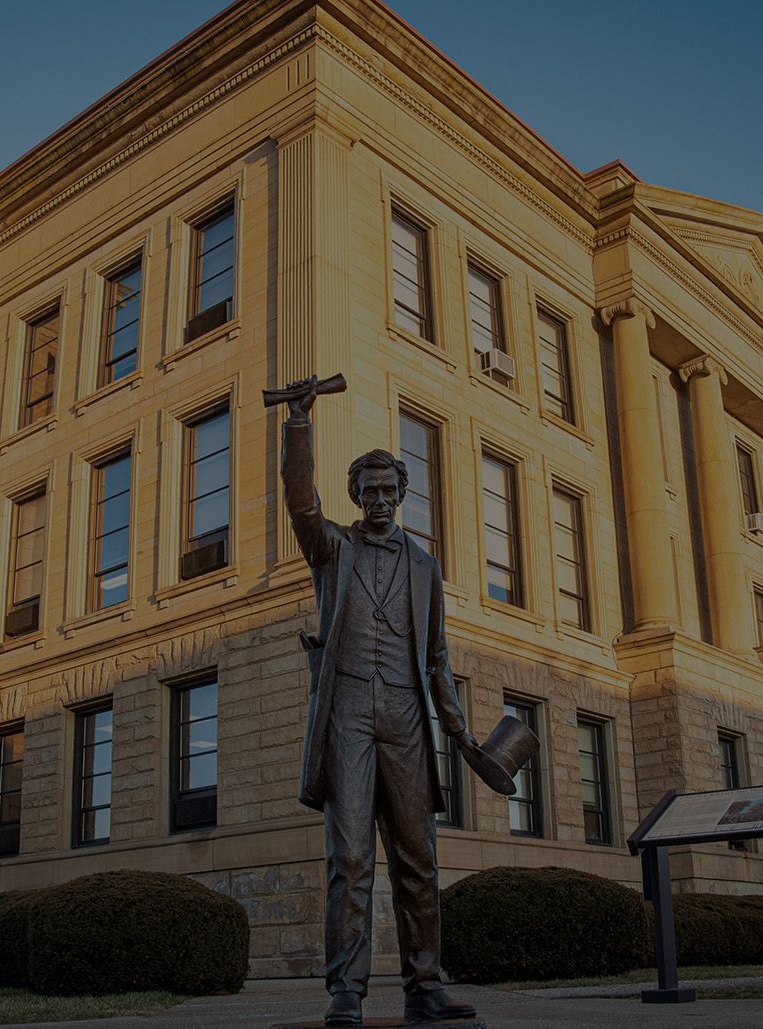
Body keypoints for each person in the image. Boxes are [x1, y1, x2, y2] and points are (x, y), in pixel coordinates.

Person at [278, 376, 479, 1026]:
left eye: (389, 490)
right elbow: (299, 502)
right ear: (355, 497)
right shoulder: (332, 548)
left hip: (406, 717)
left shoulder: (425, 568)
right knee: (351, 856)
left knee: (418, 858)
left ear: (402, 494)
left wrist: (460, 731)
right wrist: (299, 425)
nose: (380, 500)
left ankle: (425, 986)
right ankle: (346, 991)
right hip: (347, 716)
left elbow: (437, 659)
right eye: (368, 492)